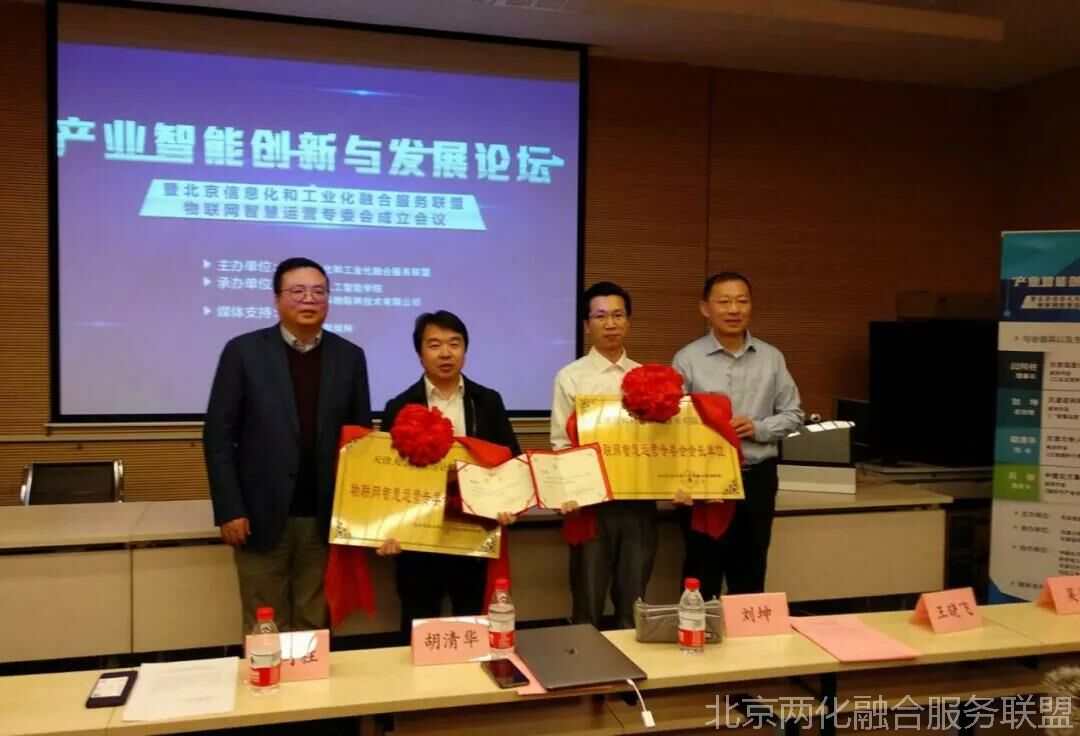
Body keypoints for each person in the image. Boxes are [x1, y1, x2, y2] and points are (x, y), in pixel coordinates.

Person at [204, 257, 372, 633]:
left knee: (315, 619)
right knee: (265, 622)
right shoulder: (243, 352)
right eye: (297, 291)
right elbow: (218, 436)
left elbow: (359, 440)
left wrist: (358, 514)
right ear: (277, 299)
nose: (309, 299)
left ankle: (312, 676)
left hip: (324, 516)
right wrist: (230, 509)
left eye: (318, 291)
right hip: (258, 515)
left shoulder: (349, 357)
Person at [378, 310, 521, 640]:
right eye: (435, 345)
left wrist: (509, 503)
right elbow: (385, 476)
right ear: (420, 353)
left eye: (454, 344)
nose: (445, 353)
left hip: (471, 535)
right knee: (418, 627)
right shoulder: (399, 406)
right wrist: (385, 530)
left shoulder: (487, 402)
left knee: (472, 627)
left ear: (465, 350)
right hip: (417, 541)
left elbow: (511, 460)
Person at [673, 272, 803, 599]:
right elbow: (674, 426)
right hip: (704, 482)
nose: (734, 309)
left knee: (750, 572)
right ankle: (700, 629)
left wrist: (759, 428)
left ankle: (746, 632)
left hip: (756, 478)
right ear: (705, 308)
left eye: (742, 301)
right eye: (724, 302)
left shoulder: (772, 358)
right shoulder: (687, 359)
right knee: (702, 572)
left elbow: (793, 414)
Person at [551, 281, 657, 629]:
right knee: (588, 601)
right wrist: (568, 492)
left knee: (633, 602)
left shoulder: (649, 378)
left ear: (628, 321)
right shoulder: (570, 378)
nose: (610, 324)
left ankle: (631, 665)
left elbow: (664, 445)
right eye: (600, 316)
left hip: (638, 502)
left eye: (618, 315)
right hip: (590, 505)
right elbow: (561, 444)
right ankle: (588, 663)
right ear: (587, 325)